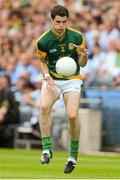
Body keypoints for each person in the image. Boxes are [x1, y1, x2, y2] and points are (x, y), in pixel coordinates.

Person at [36, 5, 88, 174]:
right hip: (52, 79)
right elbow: (42, 61)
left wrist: (83, 55)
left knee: (72, 115)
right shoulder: (43, 40)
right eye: (58, 22)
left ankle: (72, 157)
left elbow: (82, 64)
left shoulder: (77, 36)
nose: (61, 25)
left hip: (72, 79)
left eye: (64, 22)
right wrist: (46, 76)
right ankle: (46, 149)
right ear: (51, 20)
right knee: (44, 106)